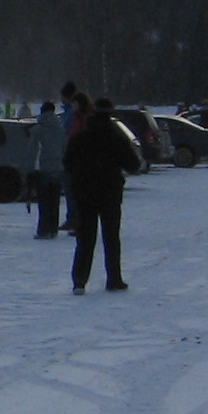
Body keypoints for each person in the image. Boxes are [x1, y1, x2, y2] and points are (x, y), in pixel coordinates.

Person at [63, 92, 140, 293]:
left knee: (85, 238)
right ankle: (114, 279)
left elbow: (67, 163)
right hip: (110, 193)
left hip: (84, 193)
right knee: (111, 237)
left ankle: (79, 281)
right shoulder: (116, 138)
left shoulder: (81, 137)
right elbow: (133, 165)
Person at [30, 99, 66, 239]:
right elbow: (65, 147)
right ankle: (53, 229)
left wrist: (30, 168)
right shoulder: (60, 127)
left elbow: (32, 150)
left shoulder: (38, 129)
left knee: (44, 202)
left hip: (43, 168)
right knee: (54, 201)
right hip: (58, 167)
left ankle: (44, 230)